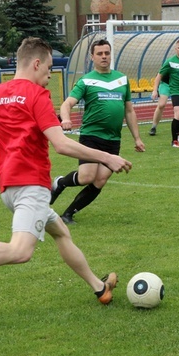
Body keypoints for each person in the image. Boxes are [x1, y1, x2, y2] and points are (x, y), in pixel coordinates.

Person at [0, 37, 131, 315]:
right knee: (21, 251)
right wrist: (107, 157)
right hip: (31, 186)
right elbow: (62, 144)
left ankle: (99, 288)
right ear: (36, 63)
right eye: (48, 69)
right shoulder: (37, 96)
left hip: (9, 188)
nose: (49, 76)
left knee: (61, 233)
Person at [52, 39, 145, 225]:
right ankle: (60, 183)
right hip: (91, 136)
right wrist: (67, 118)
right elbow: (67, 103)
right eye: (100, 53)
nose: (104, 56)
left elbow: (129, 110)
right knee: (87, 177)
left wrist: (137, 138)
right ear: (92, 57)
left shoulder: (122, 79)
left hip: (113, 139)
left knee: (100, 180)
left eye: (107, 53)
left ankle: (68, 214)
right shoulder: (86, 80)